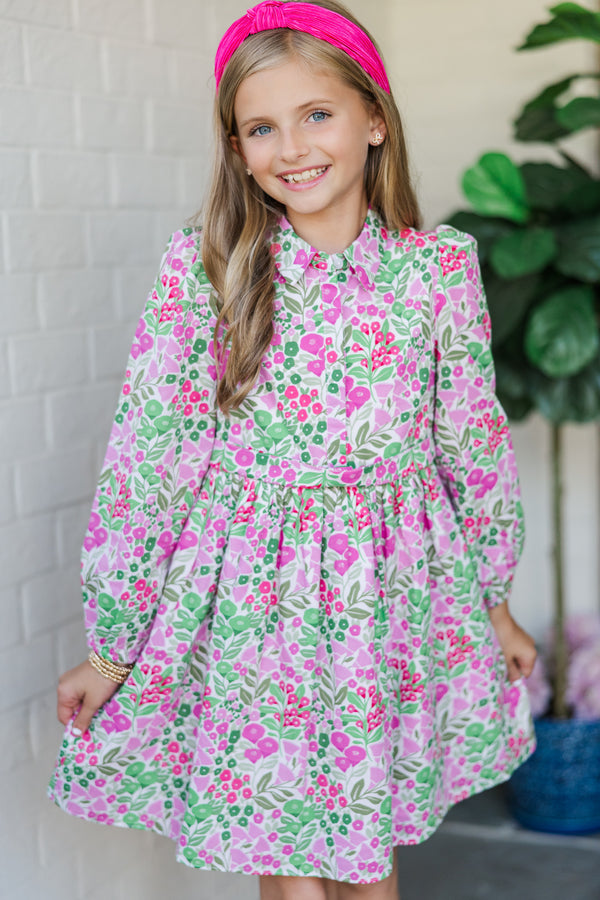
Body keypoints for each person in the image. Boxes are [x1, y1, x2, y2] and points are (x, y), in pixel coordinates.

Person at [47, 2, 538, 898]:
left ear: (374, 118)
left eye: (317, 113)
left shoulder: (437, 269)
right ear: (237, 150)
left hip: (387, 601)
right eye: (261, 127)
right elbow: (150, 461)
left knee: (366, 856)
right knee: (290, 866)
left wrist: (496, 602)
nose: (292, 147)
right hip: (252, 606)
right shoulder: (208, 266)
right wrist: (114, 647)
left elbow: (472, 442)